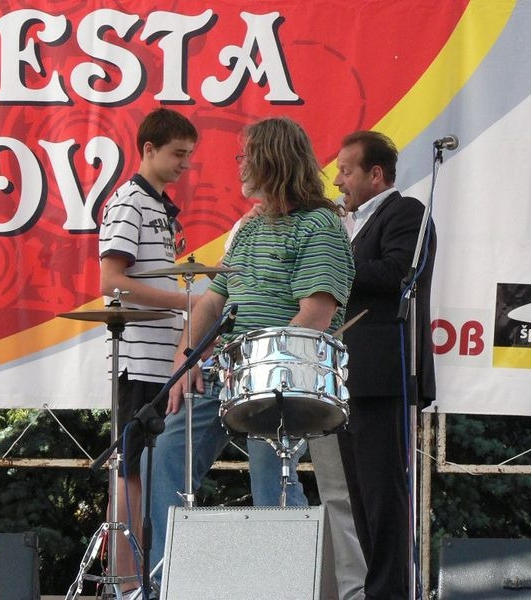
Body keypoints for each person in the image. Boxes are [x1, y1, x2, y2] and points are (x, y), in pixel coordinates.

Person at [143, 116, 355, 581]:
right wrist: (185, 357)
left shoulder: (320, 226)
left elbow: (316, 315)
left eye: (247, 156)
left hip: (280, 377)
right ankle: (164, 581)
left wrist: (260, 365)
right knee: (162, 456)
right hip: (227, 369)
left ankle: (286, 584)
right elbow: (212, 300)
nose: (240, 165)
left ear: (272, 161)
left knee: (271, 484)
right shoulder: (250, 226)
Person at [331, 130, 436, 600]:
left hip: (387, 374)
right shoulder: (350, 224)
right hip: (350, 379)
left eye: (345, 170)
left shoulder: (406, 212)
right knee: (361, 500)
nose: (338, 181)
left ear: (376, 174)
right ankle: (380, 589)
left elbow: (398, 274)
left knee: (384, 497)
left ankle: (391, 593)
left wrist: (331, 263)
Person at [98, 108, 197, 596]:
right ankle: (126, 583)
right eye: (178, 154)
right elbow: (111, 281)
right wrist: (187, 302)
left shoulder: (159, 206)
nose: (185, 164)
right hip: (138, 357)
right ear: (149, 149)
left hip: (163, 359)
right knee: (130, 471)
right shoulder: (129, 202)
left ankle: (141, 580)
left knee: (145, 470)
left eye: (189, 155)